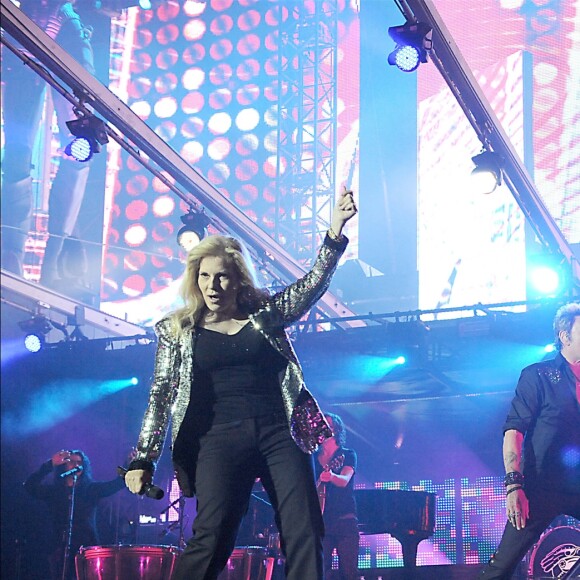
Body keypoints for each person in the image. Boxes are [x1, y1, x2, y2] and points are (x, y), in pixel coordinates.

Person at [123, 188, 358, 580]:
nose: (212, 285)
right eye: (204, 277)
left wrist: (334, 231)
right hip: (218, 438)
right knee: (212, 536)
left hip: (280, 433)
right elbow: (161, 394)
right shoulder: (178, 330)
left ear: (238, 281)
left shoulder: (264, 314)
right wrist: (142, 458)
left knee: (304, 529)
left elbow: (312, 284)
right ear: (195, 280)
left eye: (222, 277)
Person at [480, 301, 580, 578]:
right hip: (542, 485)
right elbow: (514, 430)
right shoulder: (539, 376)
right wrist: (514, 485)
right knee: (503, 565)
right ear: (565, 336)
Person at [1, 0, 95, 288]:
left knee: (79, 154)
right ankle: (12, 255)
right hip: (24, 49)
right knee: (17, 156)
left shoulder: (69, 24)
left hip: (56, 40)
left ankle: (54, 255)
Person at [23, 449, 128, 580]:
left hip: (86, 549)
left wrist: (128, 464)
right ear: (63, 466)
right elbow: (29, 486)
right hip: (59, 548)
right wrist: (49, 465)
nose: (75, 465)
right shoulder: (54, 492)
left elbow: (117, 484)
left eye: (79, 462)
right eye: (71, 462)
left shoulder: (91, 490)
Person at [315, 413, 360, 580]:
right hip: (321, 523)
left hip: (345, 521)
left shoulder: (347, 454)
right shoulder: (312, 458)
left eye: (328, 426)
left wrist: (332, 476)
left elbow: (344, 480)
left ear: (336, 430)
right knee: (321, 571)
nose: (323, 429)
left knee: (349, 572)